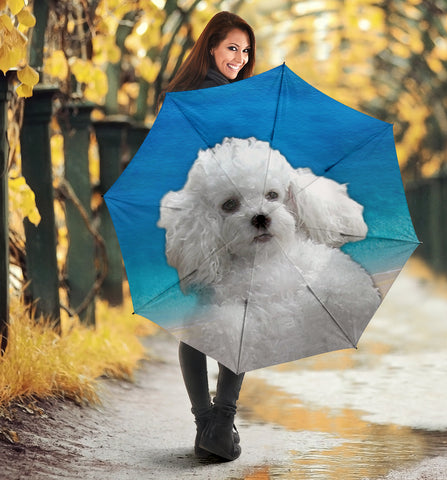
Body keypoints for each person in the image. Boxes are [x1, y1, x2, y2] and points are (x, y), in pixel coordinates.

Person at [162, 11, 256, 461]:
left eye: (244, 49)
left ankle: (207, 425)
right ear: (212, 48)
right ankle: (221, 421)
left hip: (194, 223)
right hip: (230, 222)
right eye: (231, 48)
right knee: (237, 318)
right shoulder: (227, 100)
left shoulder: (180, 96)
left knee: (198, 320)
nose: (239, 57)